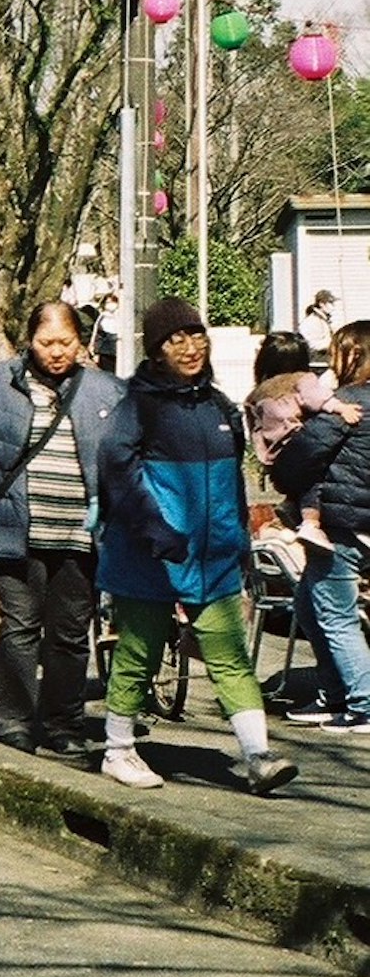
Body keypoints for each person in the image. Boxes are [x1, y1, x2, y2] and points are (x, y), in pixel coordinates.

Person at [97, 296, 298, 794]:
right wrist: (155, 530)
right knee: (139, 652)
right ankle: (118, 749)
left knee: (230, 653)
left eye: (196, 335)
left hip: (213, 560)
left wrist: (240, 542)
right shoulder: (137, 406)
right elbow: (117, 475)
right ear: (157, 350)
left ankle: (258, 756)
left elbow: (232, 483)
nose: (190, 347)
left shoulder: (219, 406)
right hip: (149, 556)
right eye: (175, 339)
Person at [0, 299, 119, 759]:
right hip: (13, 531)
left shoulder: (107, 393)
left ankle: (63, 723)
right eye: (46, 342)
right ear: (28, 341)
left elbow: (130, 462)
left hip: (80, 535)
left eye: (66, 343)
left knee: (71, 633)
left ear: (81, 342)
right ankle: (13, 719)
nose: (57, 352)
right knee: (20, 627)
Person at [271, 320, 370, 731]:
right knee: (311, 608)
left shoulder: (345, 406)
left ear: (352, 356)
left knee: (335, 616)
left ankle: (364, 703)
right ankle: (334, 695)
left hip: (340, 525)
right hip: (358, 522)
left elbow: (296, 460)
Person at [244, 328, 361, 554]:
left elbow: (255, 428)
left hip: (274, 455)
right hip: (301, 444)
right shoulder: (302, 379)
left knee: (300, 484)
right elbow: (317, 399)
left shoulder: (256, 394)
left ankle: (291, 508)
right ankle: (310, 523)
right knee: (316, 479)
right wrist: (340, 407)